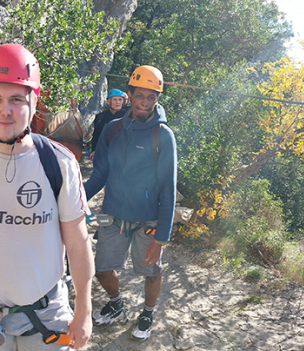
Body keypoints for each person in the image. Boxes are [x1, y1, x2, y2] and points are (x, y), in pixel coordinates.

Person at [0, 43, 93, 350]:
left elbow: (78, 243)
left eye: (16, 99)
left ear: (34, 100)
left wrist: (84, 311)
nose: (5, 110)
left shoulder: (58, 162)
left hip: (47, 318)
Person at [84, 65, 176, 341]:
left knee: (151, 271)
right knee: (101, 270)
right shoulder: (112, 130)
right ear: (130, 94)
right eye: (140, 96)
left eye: (152, 98)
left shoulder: (163, 135)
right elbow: (99, 174)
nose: (145, 103)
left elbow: (168, 189)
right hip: (113, 214)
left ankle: (147, 311)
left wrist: (162, 237)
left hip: (147, 220)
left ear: (157, 99)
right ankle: (116, 303)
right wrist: (72, 202)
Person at [89, 88, 127, 160]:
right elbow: (96, 135)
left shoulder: (127, 116)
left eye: (120, 99)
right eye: (115, 99)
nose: (118, 102)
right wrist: (94, 150)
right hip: (105, 152)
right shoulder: (100, 117)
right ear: (108, 102)